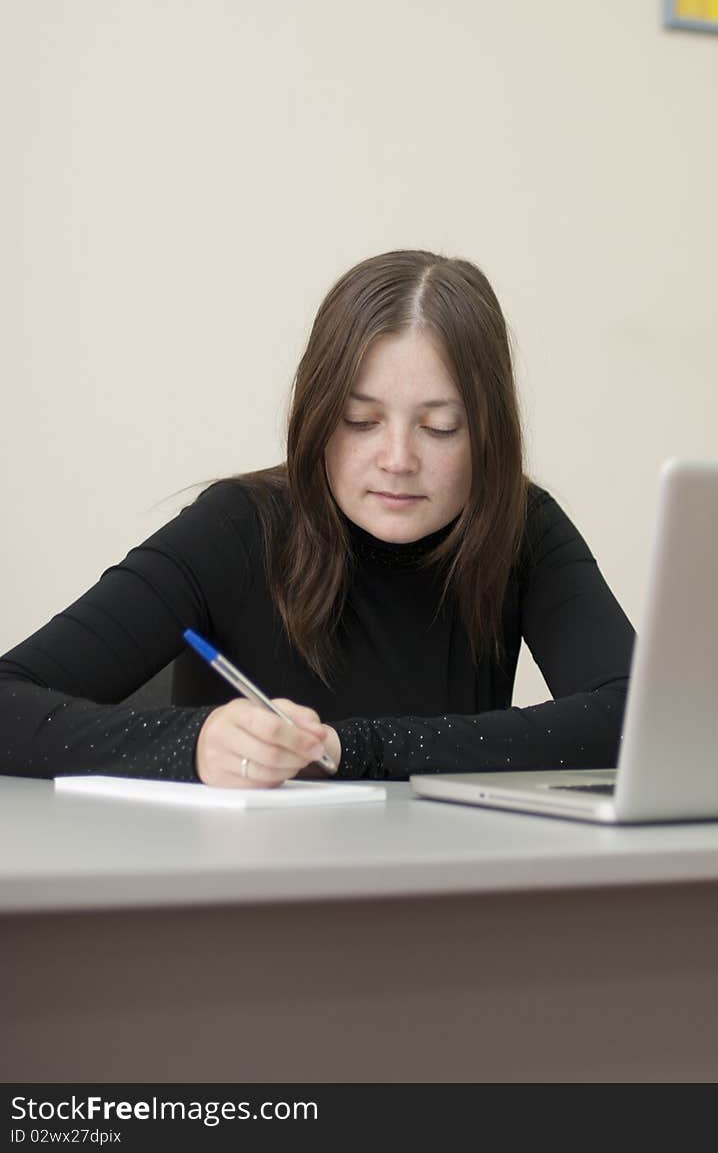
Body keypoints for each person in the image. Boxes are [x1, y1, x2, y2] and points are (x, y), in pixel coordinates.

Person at [0, 250, 635, 786]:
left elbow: (638, 718)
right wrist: (191, 744)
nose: (397, 460)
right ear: (317, 417)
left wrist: (355, 750)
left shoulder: (520, 526)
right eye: (361, 422)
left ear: (490, 434)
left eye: (440, 428)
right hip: (242, 899)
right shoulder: (238, 526)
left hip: (440, 895)